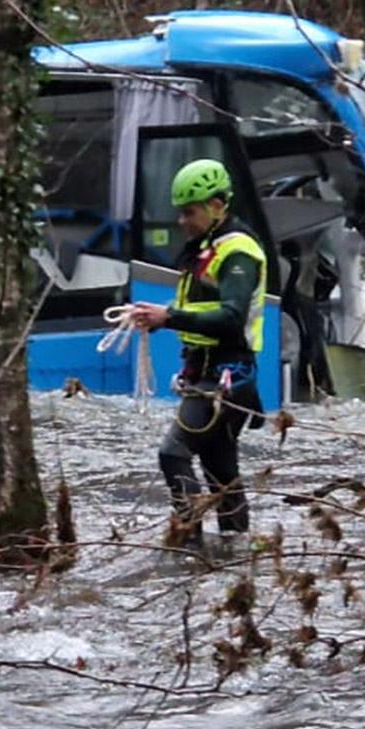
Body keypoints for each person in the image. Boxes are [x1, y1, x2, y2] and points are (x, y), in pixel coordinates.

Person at [127, 158, 267, 551]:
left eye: (189, 211)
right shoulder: (207, 248)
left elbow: (231, 317)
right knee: (220, 471)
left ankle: (189, 546)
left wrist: (167, 316)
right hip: (207, 373)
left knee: (173, 454)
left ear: (217, 206)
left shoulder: (239, 251)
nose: (181, 221)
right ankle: (235, 554)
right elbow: (204, 309)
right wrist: (155, 319)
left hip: (227, 377)